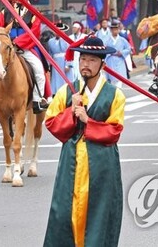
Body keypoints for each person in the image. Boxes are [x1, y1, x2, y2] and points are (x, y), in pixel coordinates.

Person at [44, 36, 125, 247]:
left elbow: (114, 131)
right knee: (63, 212)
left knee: (98, 214)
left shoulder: (115, 95)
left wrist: (88, 121)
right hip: (71, 160)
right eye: (82, 60)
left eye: (91, 60)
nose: (85, 65)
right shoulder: (66, 91)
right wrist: (71, 111)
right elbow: (52, 123)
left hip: (101, 163)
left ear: (102, 64)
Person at [0, 0, 48, 113]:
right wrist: (1, 40)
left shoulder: (34, 13)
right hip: (5, 48)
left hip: (25, 48)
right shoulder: (4, 11)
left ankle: (36, 100)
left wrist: (16, 43)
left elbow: (34, 34)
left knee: (39, 71)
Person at [104, 19, 132, 86]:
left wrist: (122, 52)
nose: (115, 31)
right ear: (111, 30)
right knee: (110, 78)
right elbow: (104, 49)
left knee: (119, 80)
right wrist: (109, 53)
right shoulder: (107, 40)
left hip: (119, 60)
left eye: (117, 29)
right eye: (113, 29)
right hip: (110, 60)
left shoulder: (122, 40)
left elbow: (129, 48)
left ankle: (118, 93)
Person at [47, 22, 71, 93]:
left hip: (64, 61)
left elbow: (70, 52)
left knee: (64, 78)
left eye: (59, 31)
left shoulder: (67, 40)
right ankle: (55, 92)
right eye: (55, 31)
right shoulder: (50, 41)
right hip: (55, 62)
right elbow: (49, 53)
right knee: (55, 78)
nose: (56, 33)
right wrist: (49, 64)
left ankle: (66, 91)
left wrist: (68, 64)